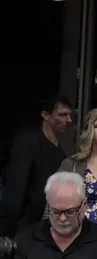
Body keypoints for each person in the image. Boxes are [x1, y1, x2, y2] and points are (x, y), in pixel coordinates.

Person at [1, 96, 73, 236]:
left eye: (69, 115)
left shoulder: (60, 152)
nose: (69, 120)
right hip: (23, 228)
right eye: (62, 115)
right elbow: (14, 191)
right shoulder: (27, 144)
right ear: (46, 115)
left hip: (47, 227)